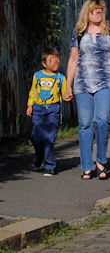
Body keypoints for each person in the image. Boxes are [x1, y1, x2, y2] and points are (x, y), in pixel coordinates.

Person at [64, 0, 110, 181]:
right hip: (83, 83)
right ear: (88, 12)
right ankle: (87, 166)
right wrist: (67, 85)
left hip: (105, 82)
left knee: (102, 120)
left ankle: (101, 160)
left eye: (101, 10)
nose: (99, 13)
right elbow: (73, 59)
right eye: (95, 10)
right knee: (85, 124)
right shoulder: (79, 32)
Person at [26, 47, 66, 176]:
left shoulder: (61, 78)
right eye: (51, 61)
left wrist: (68, 96)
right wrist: (29, 105)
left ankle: (49, 165)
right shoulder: (37, 76)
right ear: (44, 63)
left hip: (53, 110)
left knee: (49, 137)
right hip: (38, 108)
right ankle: (39, 156)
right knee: (36, 136)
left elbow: (65, 94)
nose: (55, 63)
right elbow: (33, 91)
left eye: (57, 60)